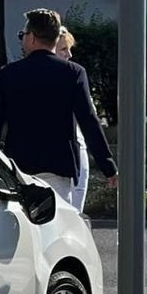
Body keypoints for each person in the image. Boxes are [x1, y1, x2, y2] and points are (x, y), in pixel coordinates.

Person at [0, 9, 117, 204]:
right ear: (56, 39)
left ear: (32, 38)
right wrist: (108, 166)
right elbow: (88, 120)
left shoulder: (9, 74)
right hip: (59, 166)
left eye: (23, 35)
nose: (22, 40)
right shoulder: (74, 73)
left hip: (19, 166)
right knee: (57, 227)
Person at [54, 27, 90, 212]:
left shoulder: (73, 74)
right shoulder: (73, 75)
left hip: (77, 148)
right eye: (63, 49)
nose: (69, 54)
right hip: (63, 155)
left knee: (75, 211)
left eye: (69, 49)